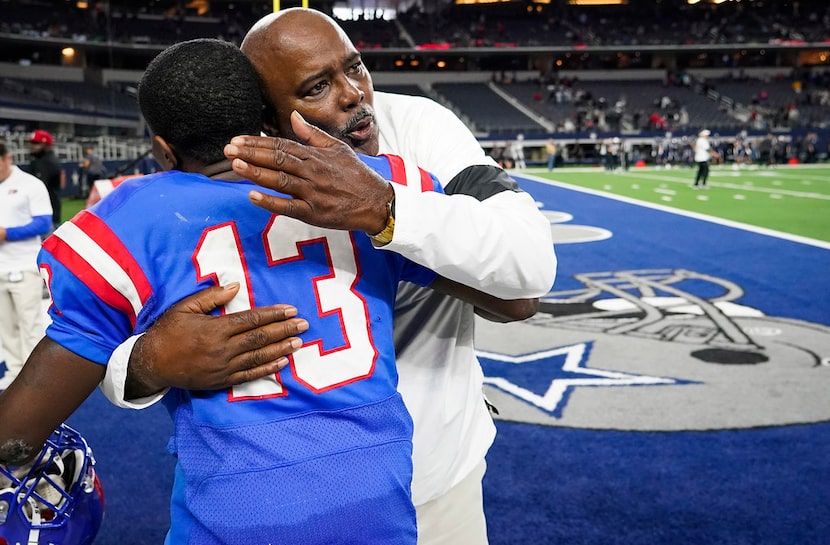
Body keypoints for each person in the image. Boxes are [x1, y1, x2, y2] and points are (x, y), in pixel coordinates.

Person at [0, 39, 536, 544]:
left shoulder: (126, 221)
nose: (349, 93)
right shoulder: (379, 180)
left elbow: (16, 433)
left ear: (163, 150)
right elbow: (511, 298)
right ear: (268, 118)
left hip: (236, 517)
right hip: (381, 506)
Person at [0, 140, 53, 391]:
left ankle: (34, 380)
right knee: (6, 328)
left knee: (29, 324)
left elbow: (43, 223)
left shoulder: (30, 184)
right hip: (0, 267)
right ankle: (12, 372)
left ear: (7, 159)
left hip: (23, 265)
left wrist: (6, 233)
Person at [27, 129, 63, 229]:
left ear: (45, 145)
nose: (32, 145)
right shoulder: (39, 160)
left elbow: (36, 188)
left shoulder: (48, 162)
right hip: (43, 212)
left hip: (46, 215)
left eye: (36, 143)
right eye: (32, 142)